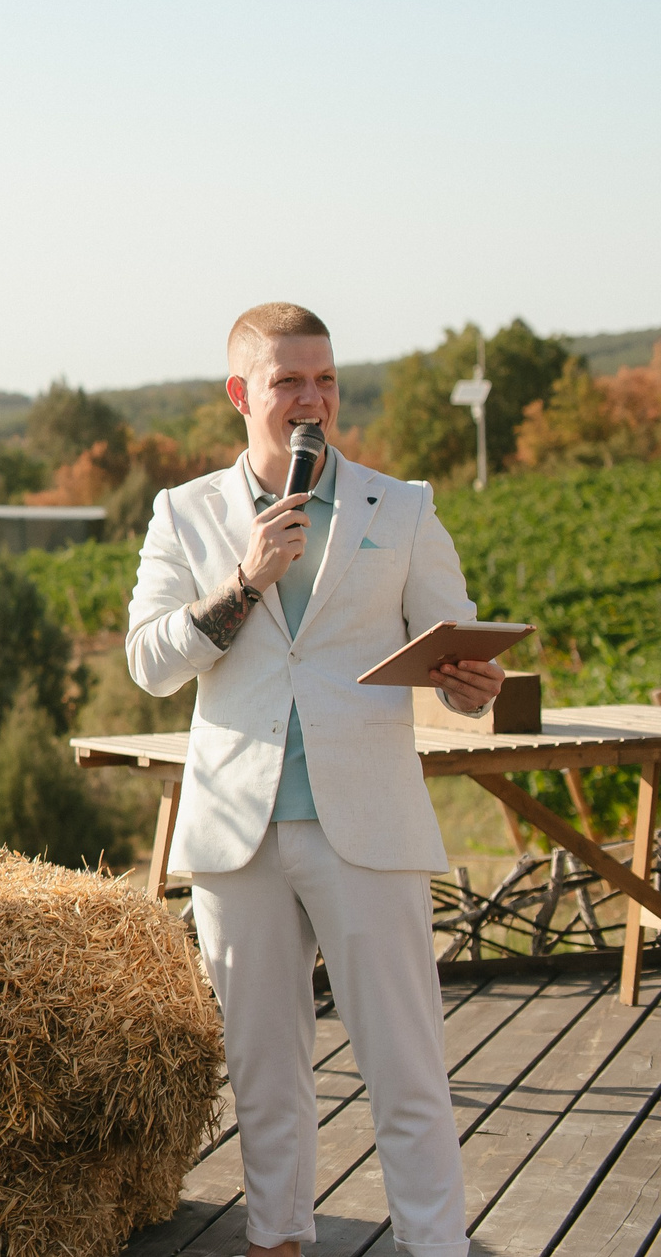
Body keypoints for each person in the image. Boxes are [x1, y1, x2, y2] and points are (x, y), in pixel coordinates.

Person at [128, 302, 504, 1257]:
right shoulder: (185, 513)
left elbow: (449, 645)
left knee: (406, 1066)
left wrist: (471, 687)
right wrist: (245, 582)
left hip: (367, 822)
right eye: (290, 381)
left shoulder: (403, 506)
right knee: (264, 1072)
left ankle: (435, 1246)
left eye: (326, 379)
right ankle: (276, 1239)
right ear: (240, 393)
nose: (312, 400)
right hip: (236, 831)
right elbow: (149, 662)